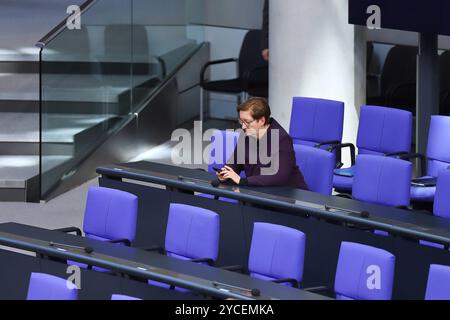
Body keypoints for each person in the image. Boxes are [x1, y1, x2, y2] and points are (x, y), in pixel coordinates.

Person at [217, 97, 308, 190]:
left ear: (262, 120)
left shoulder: (282, 139)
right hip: (258, 191)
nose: (243, 126)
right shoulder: (247, 134)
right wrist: (225, 174)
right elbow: (235, 162)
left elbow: (279, 176)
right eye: (241, 121)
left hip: (286, 195)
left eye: (247, 122)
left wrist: (243, 181)